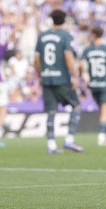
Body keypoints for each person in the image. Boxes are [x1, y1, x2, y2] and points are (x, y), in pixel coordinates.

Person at [34, 9, 84, 154]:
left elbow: (36, 60)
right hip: (62, 78)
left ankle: (51, 145)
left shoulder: (42, 36)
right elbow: (68, 56)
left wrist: (40, 74)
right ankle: (69, 140)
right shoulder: (65, 35)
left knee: (51, 112)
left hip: (47, 78)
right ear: (64, 20)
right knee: (76, 106)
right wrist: (74, 76)